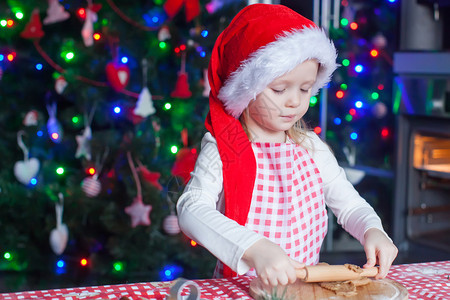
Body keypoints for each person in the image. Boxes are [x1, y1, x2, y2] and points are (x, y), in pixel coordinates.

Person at [177, 3, 398, 287]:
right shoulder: (224, 148)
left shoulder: (310, 147)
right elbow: (191, 209)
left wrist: (372, 229)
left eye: (305, 89)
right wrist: (255, 248)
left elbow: (350, 206)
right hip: (242, 290)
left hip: (304, 291)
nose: (295, 101)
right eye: (280, 89)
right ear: (247, 87)